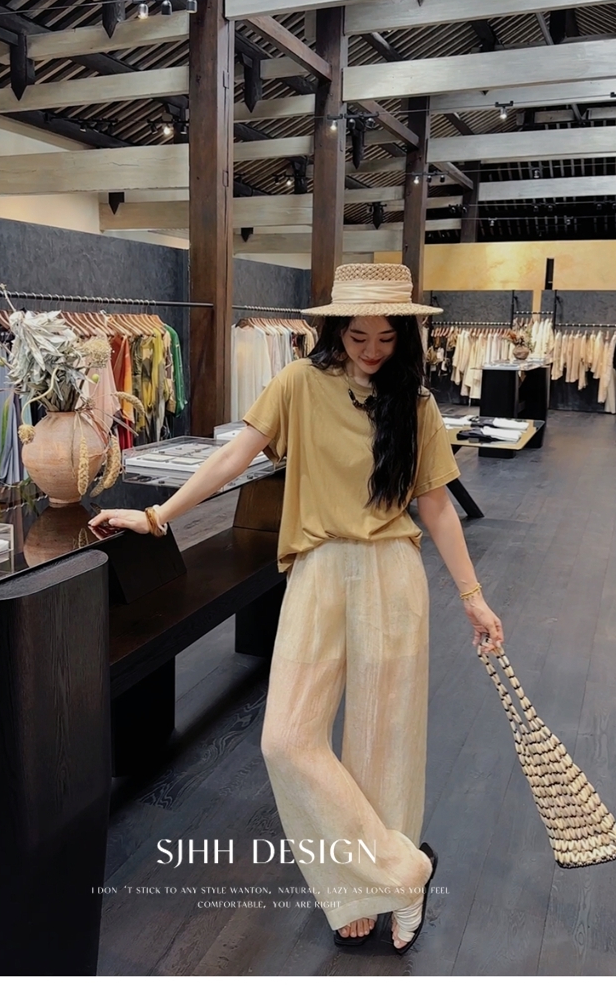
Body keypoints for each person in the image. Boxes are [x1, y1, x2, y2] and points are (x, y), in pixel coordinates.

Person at [90, 263, 504, 955]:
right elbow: (233, 459)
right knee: (286, 738)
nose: (372, 351)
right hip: (316, 570)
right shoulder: (298, 385)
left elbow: (435, 505)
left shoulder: (417, 406)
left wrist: (473, 596)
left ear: (405, 337)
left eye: (386, 339)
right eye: (359, 336)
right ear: (336, 329)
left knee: (384, 741)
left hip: (393, 574)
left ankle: (364, 889)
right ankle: (404, 873)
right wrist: (157, 516)